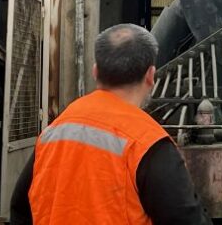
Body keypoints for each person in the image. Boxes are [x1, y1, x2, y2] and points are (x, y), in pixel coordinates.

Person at [11, 23, 210, 225]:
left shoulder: (54, 132)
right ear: (150, 75)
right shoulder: (147, 143)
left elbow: (20, 210)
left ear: (95, 71)